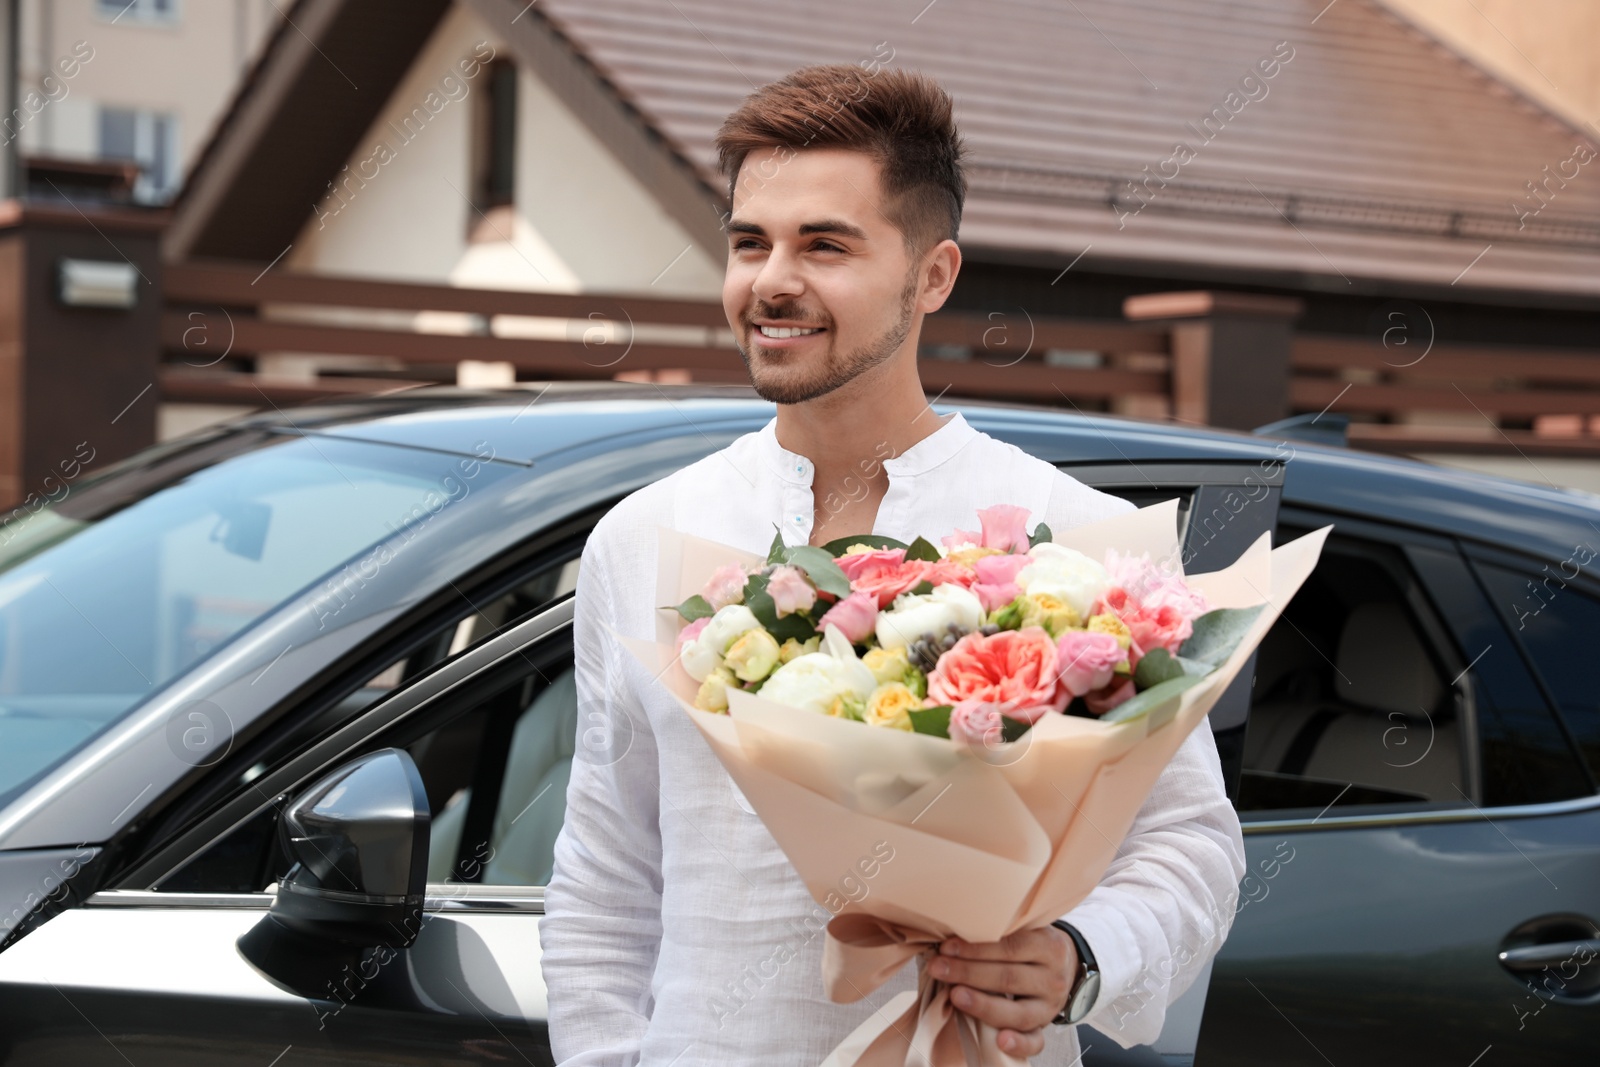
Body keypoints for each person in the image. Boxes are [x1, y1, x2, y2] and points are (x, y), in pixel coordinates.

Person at [540, 63, 1246, 1065]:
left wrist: (1080, 957)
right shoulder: (643, 535)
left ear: (932, 275)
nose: (771, 280)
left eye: (824, 244)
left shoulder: (1078, 536)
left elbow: (1192, 846)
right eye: (750, 243)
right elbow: (605, 870)